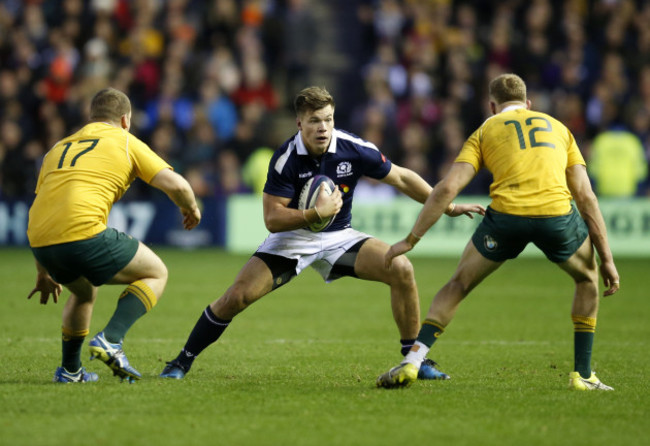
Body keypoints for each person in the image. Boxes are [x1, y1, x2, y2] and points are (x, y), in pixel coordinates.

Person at [159, 86, 485, 380]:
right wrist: (316, 213)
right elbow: (272, 218)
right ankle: (181, 361)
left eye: (328, 119)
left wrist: (447, 206)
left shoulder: (352, 147)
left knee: (401, 268)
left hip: (339, 237)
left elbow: (400, 178)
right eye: (315, 120)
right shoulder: (285, 158)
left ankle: (415, 359)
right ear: (299, 123)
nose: (323, 128)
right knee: (236, 297)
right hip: (292, 239)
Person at [376, 73, 620, 391]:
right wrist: (607, 259)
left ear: (493, 106)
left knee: (458, 284)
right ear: (528, 104)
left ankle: (413, 359)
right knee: (587, 279)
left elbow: (447, 188)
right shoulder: (559, 129)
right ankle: (583, 375)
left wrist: (411, 240)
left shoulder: (485, 130)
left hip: (506, 218)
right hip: (556, 216)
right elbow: (586, 197)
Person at [27, 87, 201, 383]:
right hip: (82, 233)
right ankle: (111, 339)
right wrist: (191, 209)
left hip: (40, 242)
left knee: (83, 292)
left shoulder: (57, 148)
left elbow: (43, 208)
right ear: (125, 119)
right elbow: (178, 186)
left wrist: (43, 272)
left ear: (91, 118)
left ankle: (70, 372)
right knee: (156, 272)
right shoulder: (124, 141)